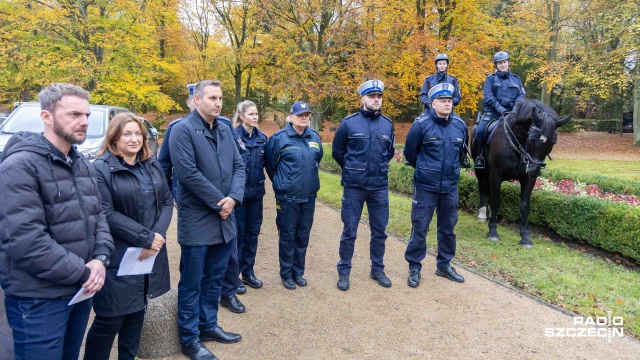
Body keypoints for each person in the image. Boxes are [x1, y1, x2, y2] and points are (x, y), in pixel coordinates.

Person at [0, 83, 114, 359]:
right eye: (74, 115)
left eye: (86, 115)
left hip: (79, 291)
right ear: (46, 117)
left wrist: (100, 258)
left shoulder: (81, 164)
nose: (84, 122)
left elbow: (98, 216)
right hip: (39, 298)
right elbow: (25, 241)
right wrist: (84, 272)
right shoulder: (20, 166)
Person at [84, 113, 173, 360]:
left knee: (137, 315)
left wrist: (157, 236)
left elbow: (166, 201)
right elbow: (105, 213)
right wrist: (146, 237)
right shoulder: (100, 169)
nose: (134, 139)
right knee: (109, 320)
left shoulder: (151, 164)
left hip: (148, 253)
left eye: (138, 134)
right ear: (114, 137)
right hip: (118, 255)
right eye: (127, 134)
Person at [170, 80, 245, 360]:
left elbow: (239, 165)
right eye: (212, 97)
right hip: (199, 219)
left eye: (221, 98)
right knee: (193, 282)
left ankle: (208, 325)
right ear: (197, 99)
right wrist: (220, 202)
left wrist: (234, 198)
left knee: (216, 278)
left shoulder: (225, 128)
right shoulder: (182, 130)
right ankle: (189, 338)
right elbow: (188, 174)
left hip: (225, 218)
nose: (218, 102)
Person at [403, 83, 469, 288]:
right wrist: (425, 169)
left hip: (449, 187)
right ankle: (414, 266)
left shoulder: (460, 125)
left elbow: (460, 154)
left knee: (448, 227)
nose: (447, 103)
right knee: (420, 227)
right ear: (433, 103)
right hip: (425, 187)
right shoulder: (421, 125)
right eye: (443, 100)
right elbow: (410, 153)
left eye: (449, 100)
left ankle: (444, 265)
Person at [332, 80, 395, 291]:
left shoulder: (387, 124)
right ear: (363, 99)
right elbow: (338, 152)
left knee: (380, 231)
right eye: (371, 96)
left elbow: (388, 152)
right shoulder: (349, 123)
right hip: (354, 187)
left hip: (378, 186)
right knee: (349, 230)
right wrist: (353, 169)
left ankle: (377, 269)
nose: (376, 100)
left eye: (379, 96)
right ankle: (344, 271)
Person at [265, 101, 323, 290]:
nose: (304, 118)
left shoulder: (314, 137)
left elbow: (317, 160)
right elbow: (271, 165)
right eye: (300, 115)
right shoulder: (279, 138)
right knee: (288, 236)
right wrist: (284, 185)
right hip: (287, 199)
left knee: (303, 236)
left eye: (307, 115)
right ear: (291, 117)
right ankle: (286, 273)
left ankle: (298, 272)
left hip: (309, 197)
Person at [232, 100, 267, 292]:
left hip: (256, 194)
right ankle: (233, 275)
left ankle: (248, 272)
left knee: (253, 233)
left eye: (256, 114)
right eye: (251, 114)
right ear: (241, 116)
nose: (254, 117)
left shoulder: (262, 138)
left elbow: (268, 164)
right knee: (238, 235)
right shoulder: (233, 137)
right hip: (238, 196)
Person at [474, 51, 526, 169]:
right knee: (480, 131)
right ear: (496, 65)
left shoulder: (516, 79)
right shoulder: (490, 79)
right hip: (493, 113)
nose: (503, 65)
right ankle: (479, 157)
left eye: (504, 62)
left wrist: (516, 108)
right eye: (500, 63)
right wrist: (499, 108)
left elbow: (521, 95)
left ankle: (525, 158)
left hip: (512, 113)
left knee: (526, 131)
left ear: (508, 63)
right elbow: (488, 96)